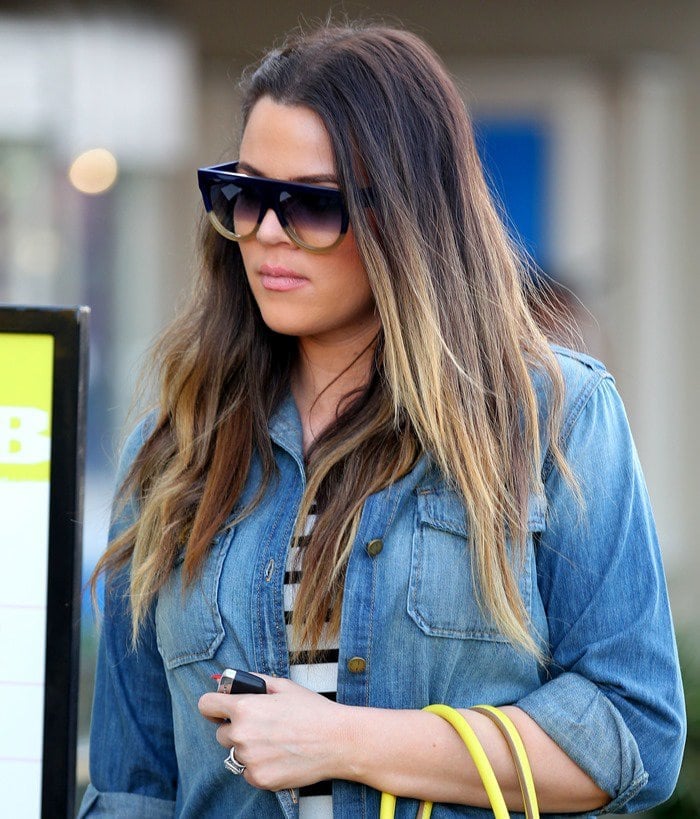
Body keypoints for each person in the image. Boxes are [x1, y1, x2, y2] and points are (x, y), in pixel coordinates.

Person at [78, 22, 685, 819]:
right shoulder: (176, 442)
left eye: (312, 204)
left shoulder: (551, 417)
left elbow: (633, 734)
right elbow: (134, 786)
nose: (265, 231)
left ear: (407, 216)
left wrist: (344, 740)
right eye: (245, 193)